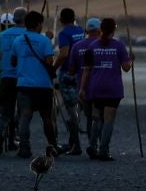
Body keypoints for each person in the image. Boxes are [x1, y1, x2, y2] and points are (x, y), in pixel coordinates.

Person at [77, 16, 134, 160]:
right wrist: (131, 59)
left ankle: (92, 145)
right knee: (108, 120)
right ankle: (103, 150)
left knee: (97, 119)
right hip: (112, 89)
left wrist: (82, 88)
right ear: (114, 29)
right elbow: (126, 68)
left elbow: (87, 69)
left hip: (96, 87)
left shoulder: (93, 46)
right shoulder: (119, 46)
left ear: (101, 29)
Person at [11, 10, 59, 159]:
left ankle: (24, 148)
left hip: (24, 84)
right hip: (43, 85)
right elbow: (49, 61)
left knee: (25, 117)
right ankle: (52, 146)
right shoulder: (44, 40)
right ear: (39, 24)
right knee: (47, 118)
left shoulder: (18, 40)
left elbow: (13, 61)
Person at [53, 9, 88, 156]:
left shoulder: (64, 33)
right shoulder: (80, 30)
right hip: (81, 72)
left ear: (61, 20)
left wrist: (53, 67)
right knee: (77, 107)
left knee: (70, 110)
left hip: (68, 73)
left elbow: (64, 53)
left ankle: (75, 144)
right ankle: (75, 143)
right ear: (74, 18)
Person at [0, 8, 29, 153]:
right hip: (22, 79)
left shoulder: (2, 35)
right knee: (23, 113)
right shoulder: (28, 35)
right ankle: (22, 144)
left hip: (6, 77)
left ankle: (0, 139)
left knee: (4, 112)